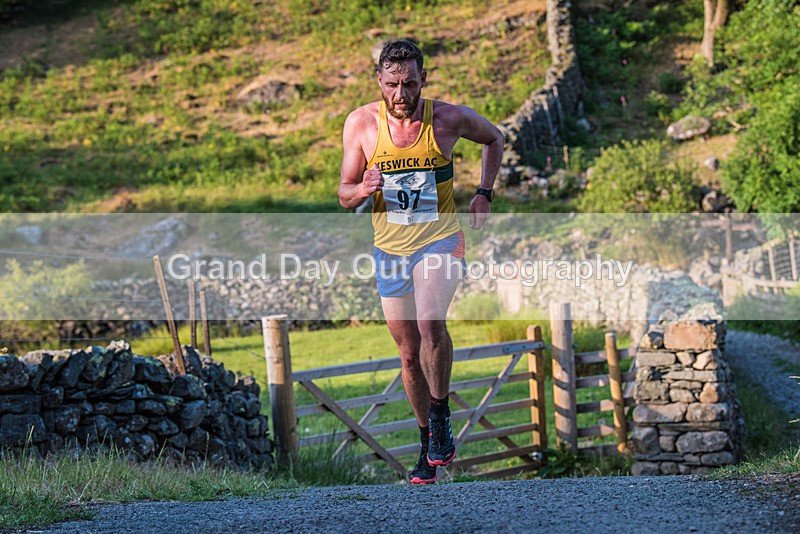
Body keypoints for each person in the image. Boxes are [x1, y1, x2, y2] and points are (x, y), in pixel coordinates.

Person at [338, 39, 503, 484]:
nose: (400, 94)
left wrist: (484, 192)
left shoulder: (447, 118)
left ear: (423, 80)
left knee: (431, 323)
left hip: (440, 241)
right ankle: (426, 440)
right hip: (389, 249)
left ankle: (441, 415)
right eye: (391, 84)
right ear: (379, 80)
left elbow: (495, 138)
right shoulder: (360, 125)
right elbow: (343, 192)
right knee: (408, 355)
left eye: (409, 84)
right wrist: (363, 189)